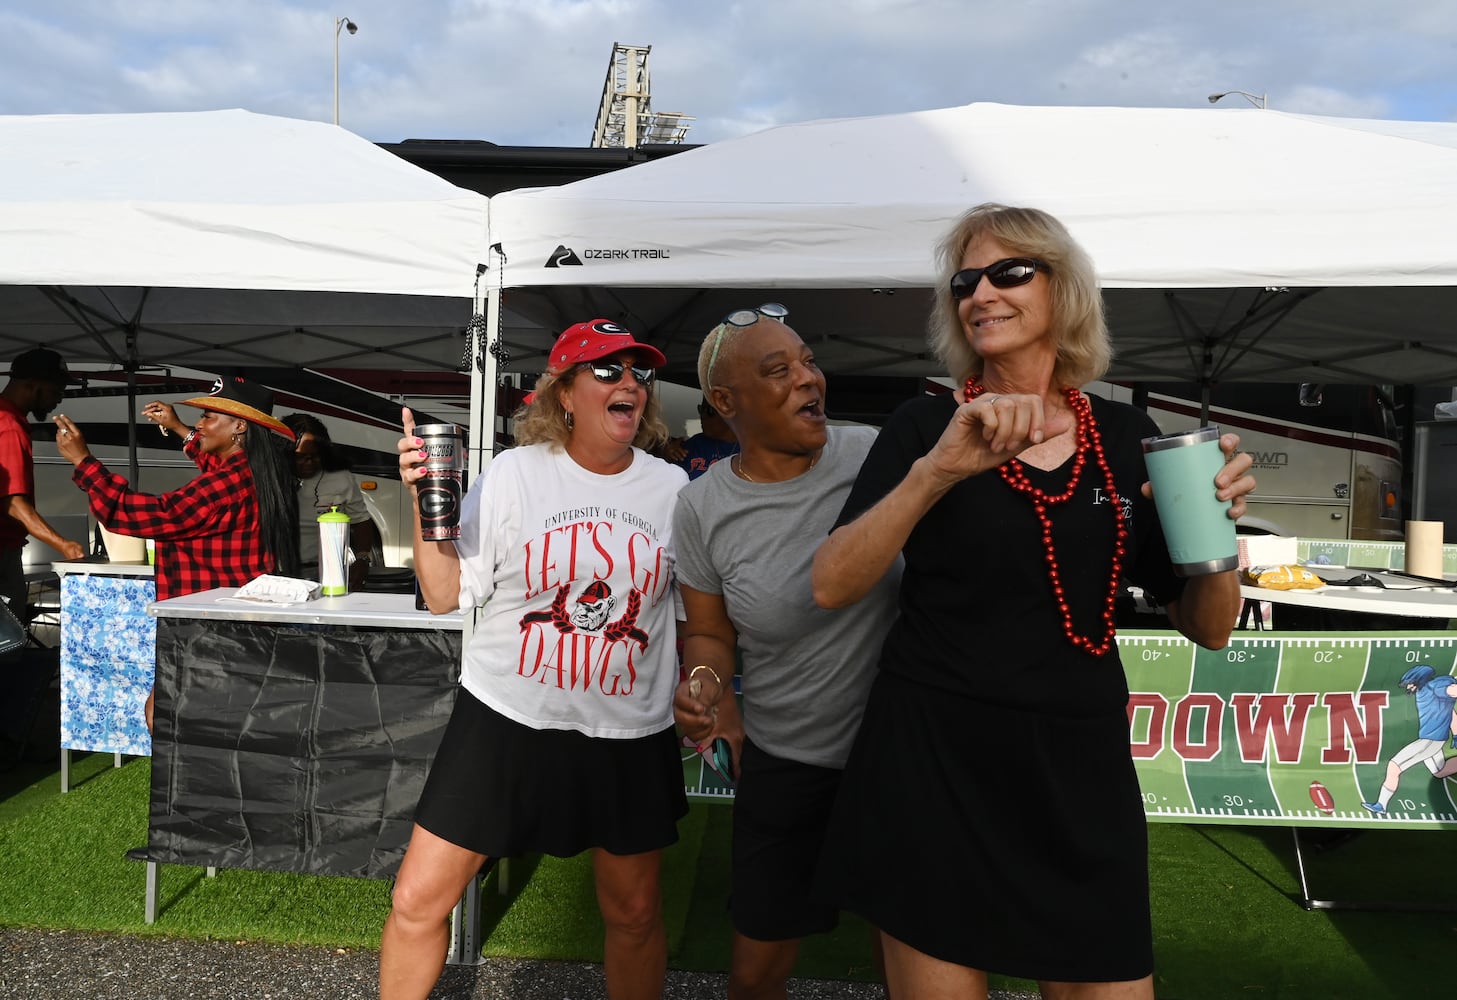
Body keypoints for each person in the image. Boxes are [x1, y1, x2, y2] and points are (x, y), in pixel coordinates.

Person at [810, 204, 1257, 1000]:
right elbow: (831, 582)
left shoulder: (1127, 436)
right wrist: (938, 471)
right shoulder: (923, 424)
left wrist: (1220, 537)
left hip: (1076, 769)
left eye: (1008, 272)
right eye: (964, 280)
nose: (980, 292)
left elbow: (1210, 628)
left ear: (1065, 290)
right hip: (935, 757)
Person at [380, 319, 688, 1000]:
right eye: (607, 371)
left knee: (634, 915)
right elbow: (442, 594)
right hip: (507, 720)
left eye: (638, 374)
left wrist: (704, 686)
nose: (628, 385)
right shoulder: (515, 476)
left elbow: (696, 619)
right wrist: (418, 499)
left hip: (625, 733)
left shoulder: (671, 492)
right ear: (564, 395)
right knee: (416, 901)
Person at [672, 305, 901, 1000]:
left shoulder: (878, 454)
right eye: (779, 370)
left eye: (807, 361)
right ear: (725, 402)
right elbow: (709, 632)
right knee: (757, 968)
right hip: (786, 764)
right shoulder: (702, 507)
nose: (808, 379)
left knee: (914, 957)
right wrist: (707, 686)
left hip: (900, 760)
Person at [55, 376, 301, 732]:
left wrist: (84, 462)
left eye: (208, 417)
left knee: (171, 721)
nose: (200, 424)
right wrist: (178, 428)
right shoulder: (253, 471)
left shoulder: (228, 484)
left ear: (239, 427)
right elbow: (210, 462)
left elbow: (145, 514)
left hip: (205, 625)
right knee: (183, 718)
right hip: (229, 621)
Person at [0, 348, 86, 624]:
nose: (60, 397)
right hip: (1, 552)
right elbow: (12, 502)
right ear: (32, 384)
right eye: (56, 388)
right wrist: (65, 545)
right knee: (7, 649)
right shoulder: (8, 425)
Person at [282, 413, 379, 590]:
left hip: (327, 572)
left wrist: (363, 559)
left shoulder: (341, 478)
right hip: (281, 572)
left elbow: (361, 521)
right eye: (300, 457)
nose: (309, 462)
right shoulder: (272, 477)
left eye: (316, 456)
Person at [674, 396, 740, 481]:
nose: (702, 415)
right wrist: (667, 454)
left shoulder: (748, 452)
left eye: (709, 411)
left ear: (729, 413)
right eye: (701, 409)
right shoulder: (694, 444)